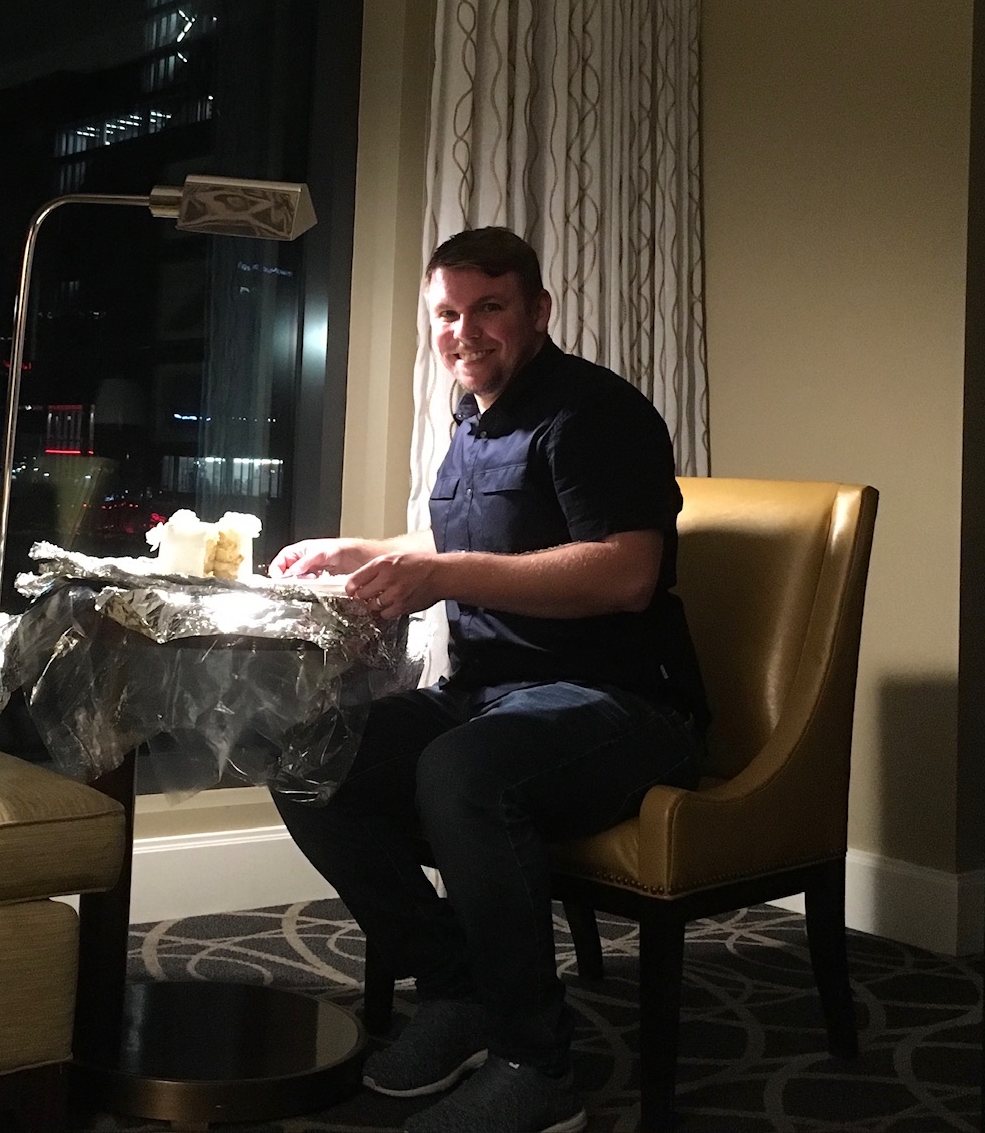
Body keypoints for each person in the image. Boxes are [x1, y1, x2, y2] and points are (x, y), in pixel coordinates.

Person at [269, 227, 709, 1133]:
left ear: (538, 311)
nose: (463, 332)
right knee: (309, 754)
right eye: (446, 314)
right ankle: (457, 989)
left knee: (461, 771)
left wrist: (439, 575)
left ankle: (536, 1064)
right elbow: (475, 542)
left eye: (489, 308)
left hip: (622, 704)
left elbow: (627, 572)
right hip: (493, 694)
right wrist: (368, 552)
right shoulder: (474, 419)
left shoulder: (595, 413)